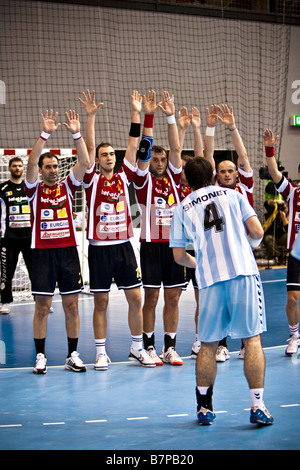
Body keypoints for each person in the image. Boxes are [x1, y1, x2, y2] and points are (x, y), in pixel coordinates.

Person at [170, 156, 273, 426]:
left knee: (207, 344)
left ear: (187, 180)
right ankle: (257, 405)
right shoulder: (233, 195)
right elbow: (257, 231)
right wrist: (245, 249)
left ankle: (204, 408)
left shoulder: (182, 207)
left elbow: (179, 256)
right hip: (243, 274)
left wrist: (199, 262)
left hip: (210, 281)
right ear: (213, 174)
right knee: (251, 341)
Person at [79, 89, 155, 370]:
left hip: (124, 246)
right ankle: (101, 352)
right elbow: (86, 149)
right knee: (101, 302)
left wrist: (138, 113)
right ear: (98, 159)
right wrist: (90, 119)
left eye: (112, 153)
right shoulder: (91, 180)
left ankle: (137, 348)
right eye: (104, 154)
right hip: (100, 249)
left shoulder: (125, 175)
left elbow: (134, 145)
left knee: (136, 297)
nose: (109, 157)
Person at [25, 109, 89, 374]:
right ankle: (40, 356)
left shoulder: (67, 186)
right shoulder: (33, 189)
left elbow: (84, 163)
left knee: (72, 306)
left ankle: (72, 354)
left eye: (55, 166)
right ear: (41, 170)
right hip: (41, 253)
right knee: (43, 307)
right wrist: (45, 134)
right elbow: (29, 164)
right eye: (47, 167)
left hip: (67, 253)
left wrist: (76, 133)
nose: (52, 170)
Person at [133, 91, 186, 366]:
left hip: (175, 245)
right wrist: (149, 116)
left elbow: (177, 150)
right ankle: (149, 347)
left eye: (163, 160)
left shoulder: (176, 180)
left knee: (173, 298)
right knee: (152, 297)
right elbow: (143, 151)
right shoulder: (143, 182)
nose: (160, 163)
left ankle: (170, 347)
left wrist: (170, 116)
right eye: (156, 159)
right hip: (152, 246)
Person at [204, 103, 254, 361]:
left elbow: (243, 157)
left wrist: (232, 126)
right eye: (222, 171)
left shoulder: (244, 188)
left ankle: (247, 345)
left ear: (237, 174)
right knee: (222, 302)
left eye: (230, 171)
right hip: (219, 255)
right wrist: (210, 127)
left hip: (243, 254)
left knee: (244, 303)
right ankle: (222, 345)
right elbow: (207, 158)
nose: (225, 174)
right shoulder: (212, 188)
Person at [263, 128, 300, 355]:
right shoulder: (294, 192)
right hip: (297, 252)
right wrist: (270, 150)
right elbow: (275, 173)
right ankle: (294, 335)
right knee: (293, 298)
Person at [177, 105, 203, 358]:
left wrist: (197, 128)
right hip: (178, 249)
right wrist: (182, 128)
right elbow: (176, 154)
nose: (184, 170)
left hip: (198, 248)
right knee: (171, 299)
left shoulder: (199, 187)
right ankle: (167, 345)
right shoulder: (174, 185)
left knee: (201, 299)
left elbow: (200, 158)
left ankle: (199, 340)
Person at [0, 157, 32, 314]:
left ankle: (40, 299)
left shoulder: (30, 187)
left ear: (23, 168)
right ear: (9, 168)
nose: (17, 168)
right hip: (9, 238)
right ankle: (5, 302)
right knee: (6, 272)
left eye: (20, 166)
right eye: (14, 166)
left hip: (29, 237)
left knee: (35, 270)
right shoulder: (2, 188)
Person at [263, 198, 288, 263]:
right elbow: (266, 204)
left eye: (284, 207)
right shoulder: (274, 211)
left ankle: (287, 253)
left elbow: (288, 230)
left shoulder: (289, 216)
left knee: (289, 236)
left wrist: (284, 218)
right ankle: (279, 255)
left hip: (281, 238)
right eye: (282, 206)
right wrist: (276, 201)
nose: (283, 209)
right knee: (268, 239)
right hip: (272, 237)